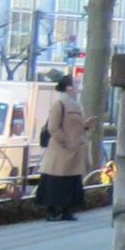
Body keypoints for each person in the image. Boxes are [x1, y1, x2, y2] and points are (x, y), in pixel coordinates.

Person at [37, 74, 92, 222]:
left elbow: (75, 125)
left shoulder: (76, 104)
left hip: (73, 149)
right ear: (68, 87)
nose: (77, 86)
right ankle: (52, 211)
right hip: (61, 150)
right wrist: (65, 141)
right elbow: (53, 127)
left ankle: (66, 211)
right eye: (75, 84)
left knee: (71, 182)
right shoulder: (59, 104)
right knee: (55, 181)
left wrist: (85, 125)